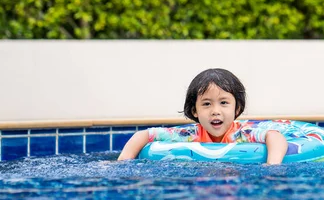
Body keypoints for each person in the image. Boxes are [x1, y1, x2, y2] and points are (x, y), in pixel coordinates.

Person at [117, 68, 289, 164]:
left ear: (237, 109)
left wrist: (272, 167)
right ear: (194, 111)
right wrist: (123, 163)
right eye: (206, 104)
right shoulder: (189, 135)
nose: (215, 111)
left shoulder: (242, 133)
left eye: (224, 103)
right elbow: (144, 135)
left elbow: (274, 136)